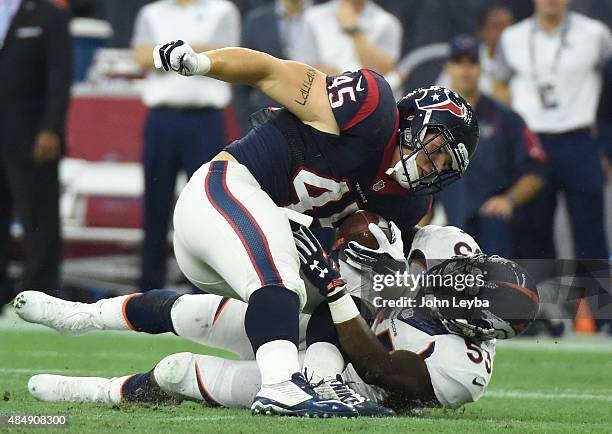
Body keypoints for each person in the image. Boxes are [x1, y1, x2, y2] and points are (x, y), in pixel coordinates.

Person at [125, 39, 479, 416]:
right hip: (223, 198)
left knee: (351, 291)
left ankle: (322, 379)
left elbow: (361, 276)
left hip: (252, 256)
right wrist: (200, 63)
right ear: (415, 121)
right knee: (281, 273)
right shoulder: (371, 108)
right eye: (438, 149)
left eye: (448, 165)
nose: (436, 166)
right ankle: (280, 386)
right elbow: (269, 70)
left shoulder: (410, 203)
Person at [16, 223, 539, 412]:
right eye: (471, 271)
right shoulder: (451, 247)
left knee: (179, 372)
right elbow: (386, 224)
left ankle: (91, 392)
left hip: (334, 382)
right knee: (194, 311)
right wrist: (379, 250)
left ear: (476, 325)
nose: (458, 278)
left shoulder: (462, 371)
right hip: (317, 325)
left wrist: (337, 287)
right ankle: (79, 315)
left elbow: (378, 367)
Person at [131, 0, 240, 291]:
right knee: (155, 205)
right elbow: (140, 57)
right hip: (162, 118)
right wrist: (193, 51)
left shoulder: (222, 10)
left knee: (207, 207)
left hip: (204, 120)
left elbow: (225, 56)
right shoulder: (151, 12)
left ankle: (205, 289)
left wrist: (166, 52)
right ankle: (149, 289)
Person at [492, 0, 612, 260]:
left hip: (579, 140)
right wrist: (513, 130)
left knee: (590, 232)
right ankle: (540, 299)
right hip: (532, 143)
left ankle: (592, 300)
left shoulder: (596, 34)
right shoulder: (512, 37)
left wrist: (606, 142)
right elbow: (499, 83)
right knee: (532, 233)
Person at [438, 35, 547, 258]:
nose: (466, 70)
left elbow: (536, 170)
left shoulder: (507, 118)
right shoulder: (435, 122)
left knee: (499, 288)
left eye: (472, 63)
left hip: (499, 229)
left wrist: (509, 199)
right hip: (455, 230)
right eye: (459, 63)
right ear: (448, 68)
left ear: (481, 68)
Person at [0, 0, 71, 310]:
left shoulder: (48, 15)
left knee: (38, 216)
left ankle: (39, 295)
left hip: (31, 132)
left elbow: (59, 76)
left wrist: (52, 129)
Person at [235, 0, 314, 132]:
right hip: (269, 122)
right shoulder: (257, 21)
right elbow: (240, 78)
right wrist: (248, 126)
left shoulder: (326, 16)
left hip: (318, 118)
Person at [295, 0, 402, 76]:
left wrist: (354, 30)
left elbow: (383, 71)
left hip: (369, 98)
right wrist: (339, 78)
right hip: (324, 94)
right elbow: (302, 67)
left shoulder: (387, 23)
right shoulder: (312, 17)